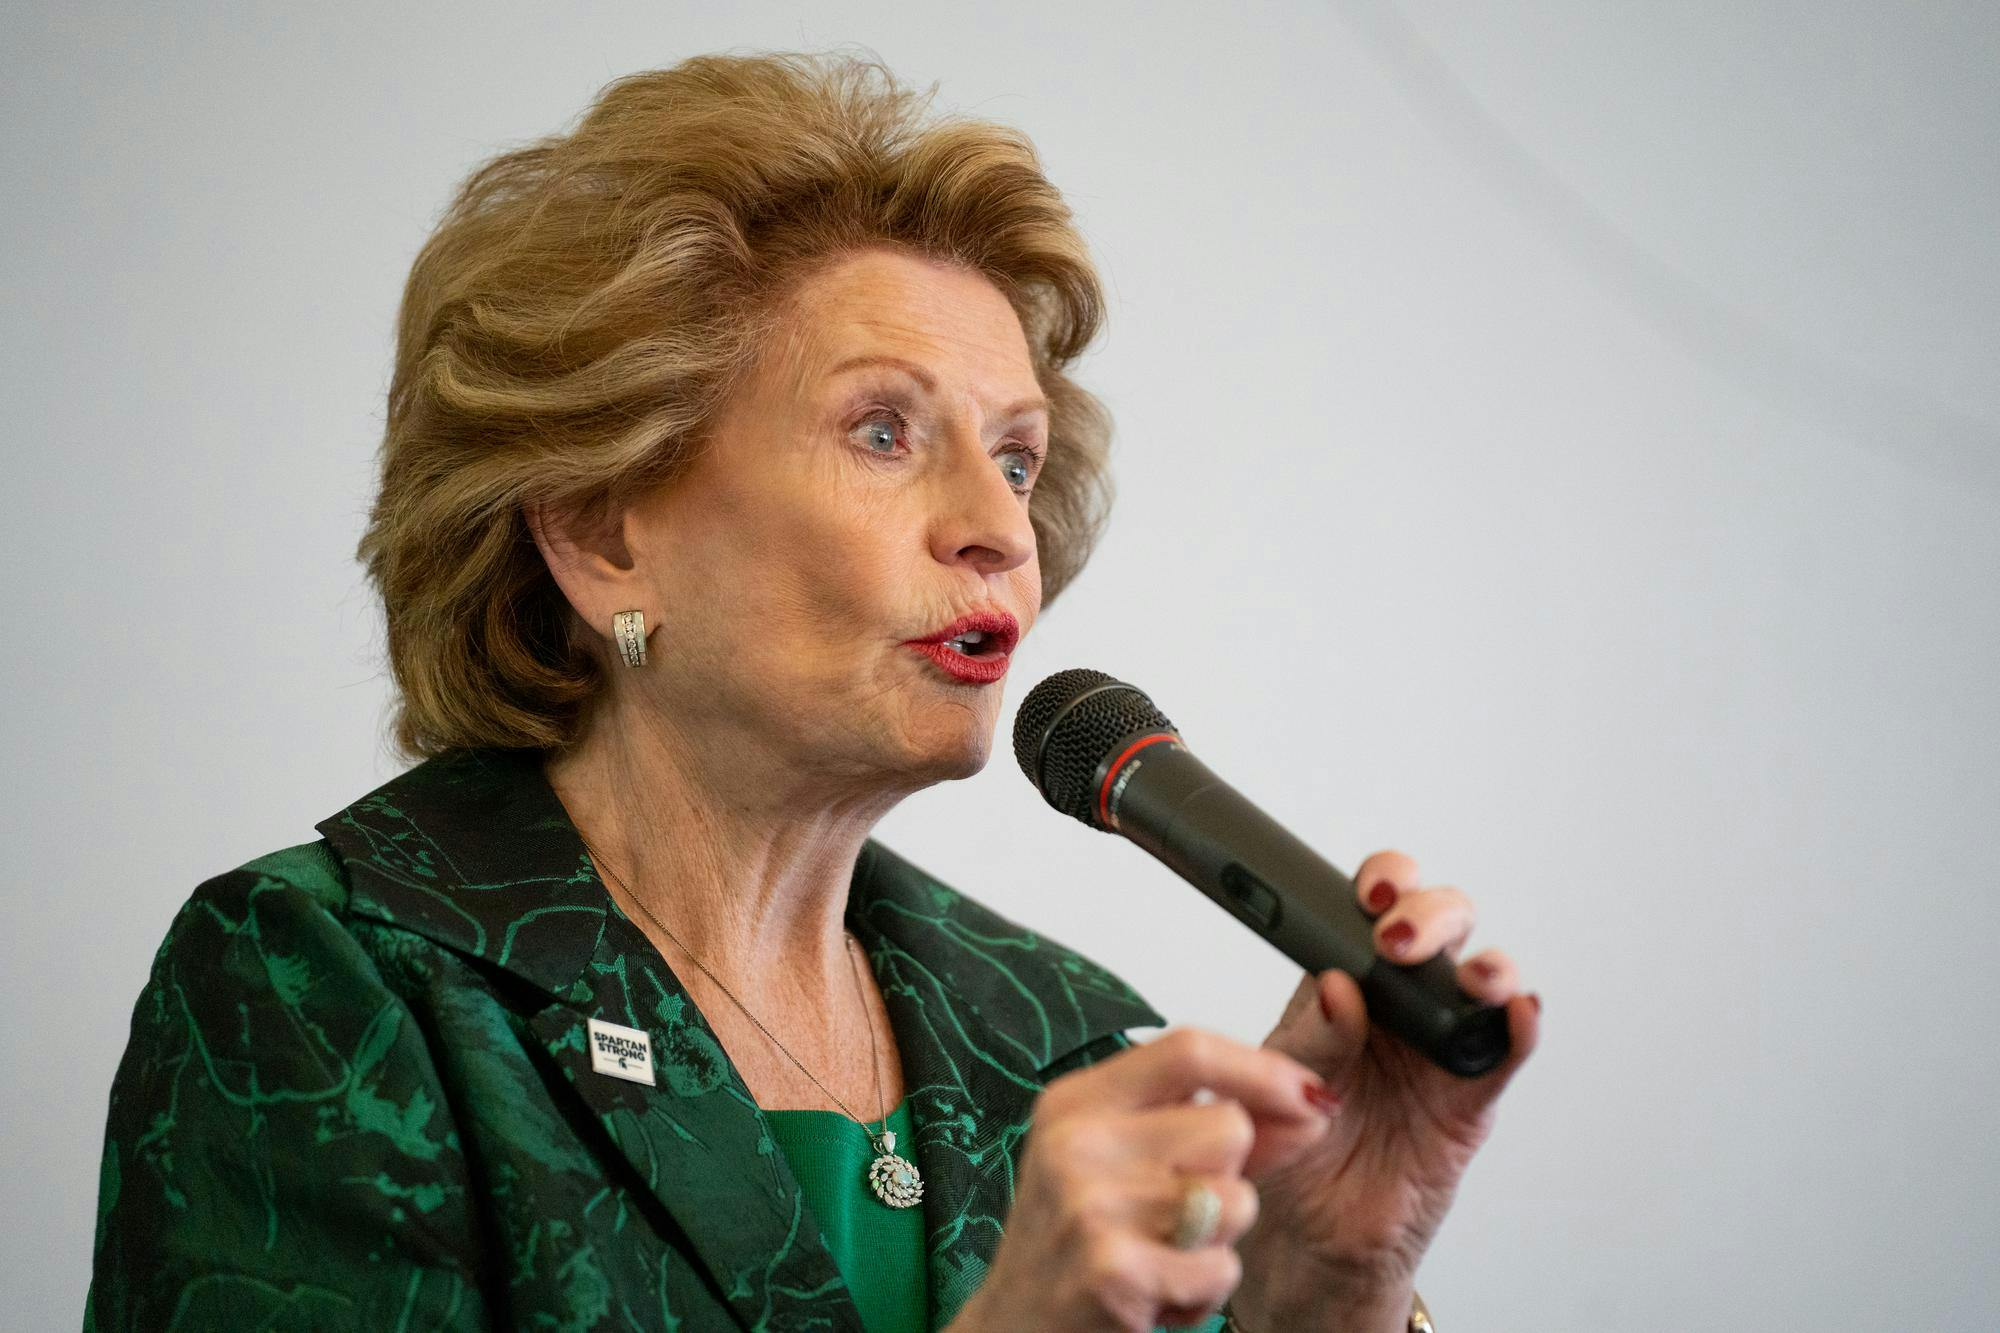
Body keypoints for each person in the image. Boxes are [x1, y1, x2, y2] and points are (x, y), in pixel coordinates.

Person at [85, 50, 1539, 1333]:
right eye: (885, 429)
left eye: (1019, 456)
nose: (1000, 526)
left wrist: (1325, 1294)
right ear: (603, 529)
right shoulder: (329, 985)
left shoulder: (1071, 1042)